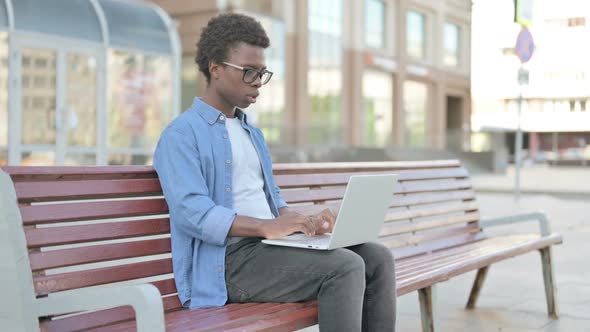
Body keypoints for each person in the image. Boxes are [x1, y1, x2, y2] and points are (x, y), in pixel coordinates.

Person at [154, 13, 396, 331]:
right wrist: (267, 227)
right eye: (248, 72)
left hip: (267, 251)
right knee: (345, 267)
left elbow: (272, 201)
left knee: (377, 257)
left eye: (262, 73)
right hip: (227, 264)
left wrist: (306, 224)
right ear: (215, 68)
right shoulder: (181, 134)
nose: (257, 82)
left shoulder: (251, 133)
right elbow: (193, 214)